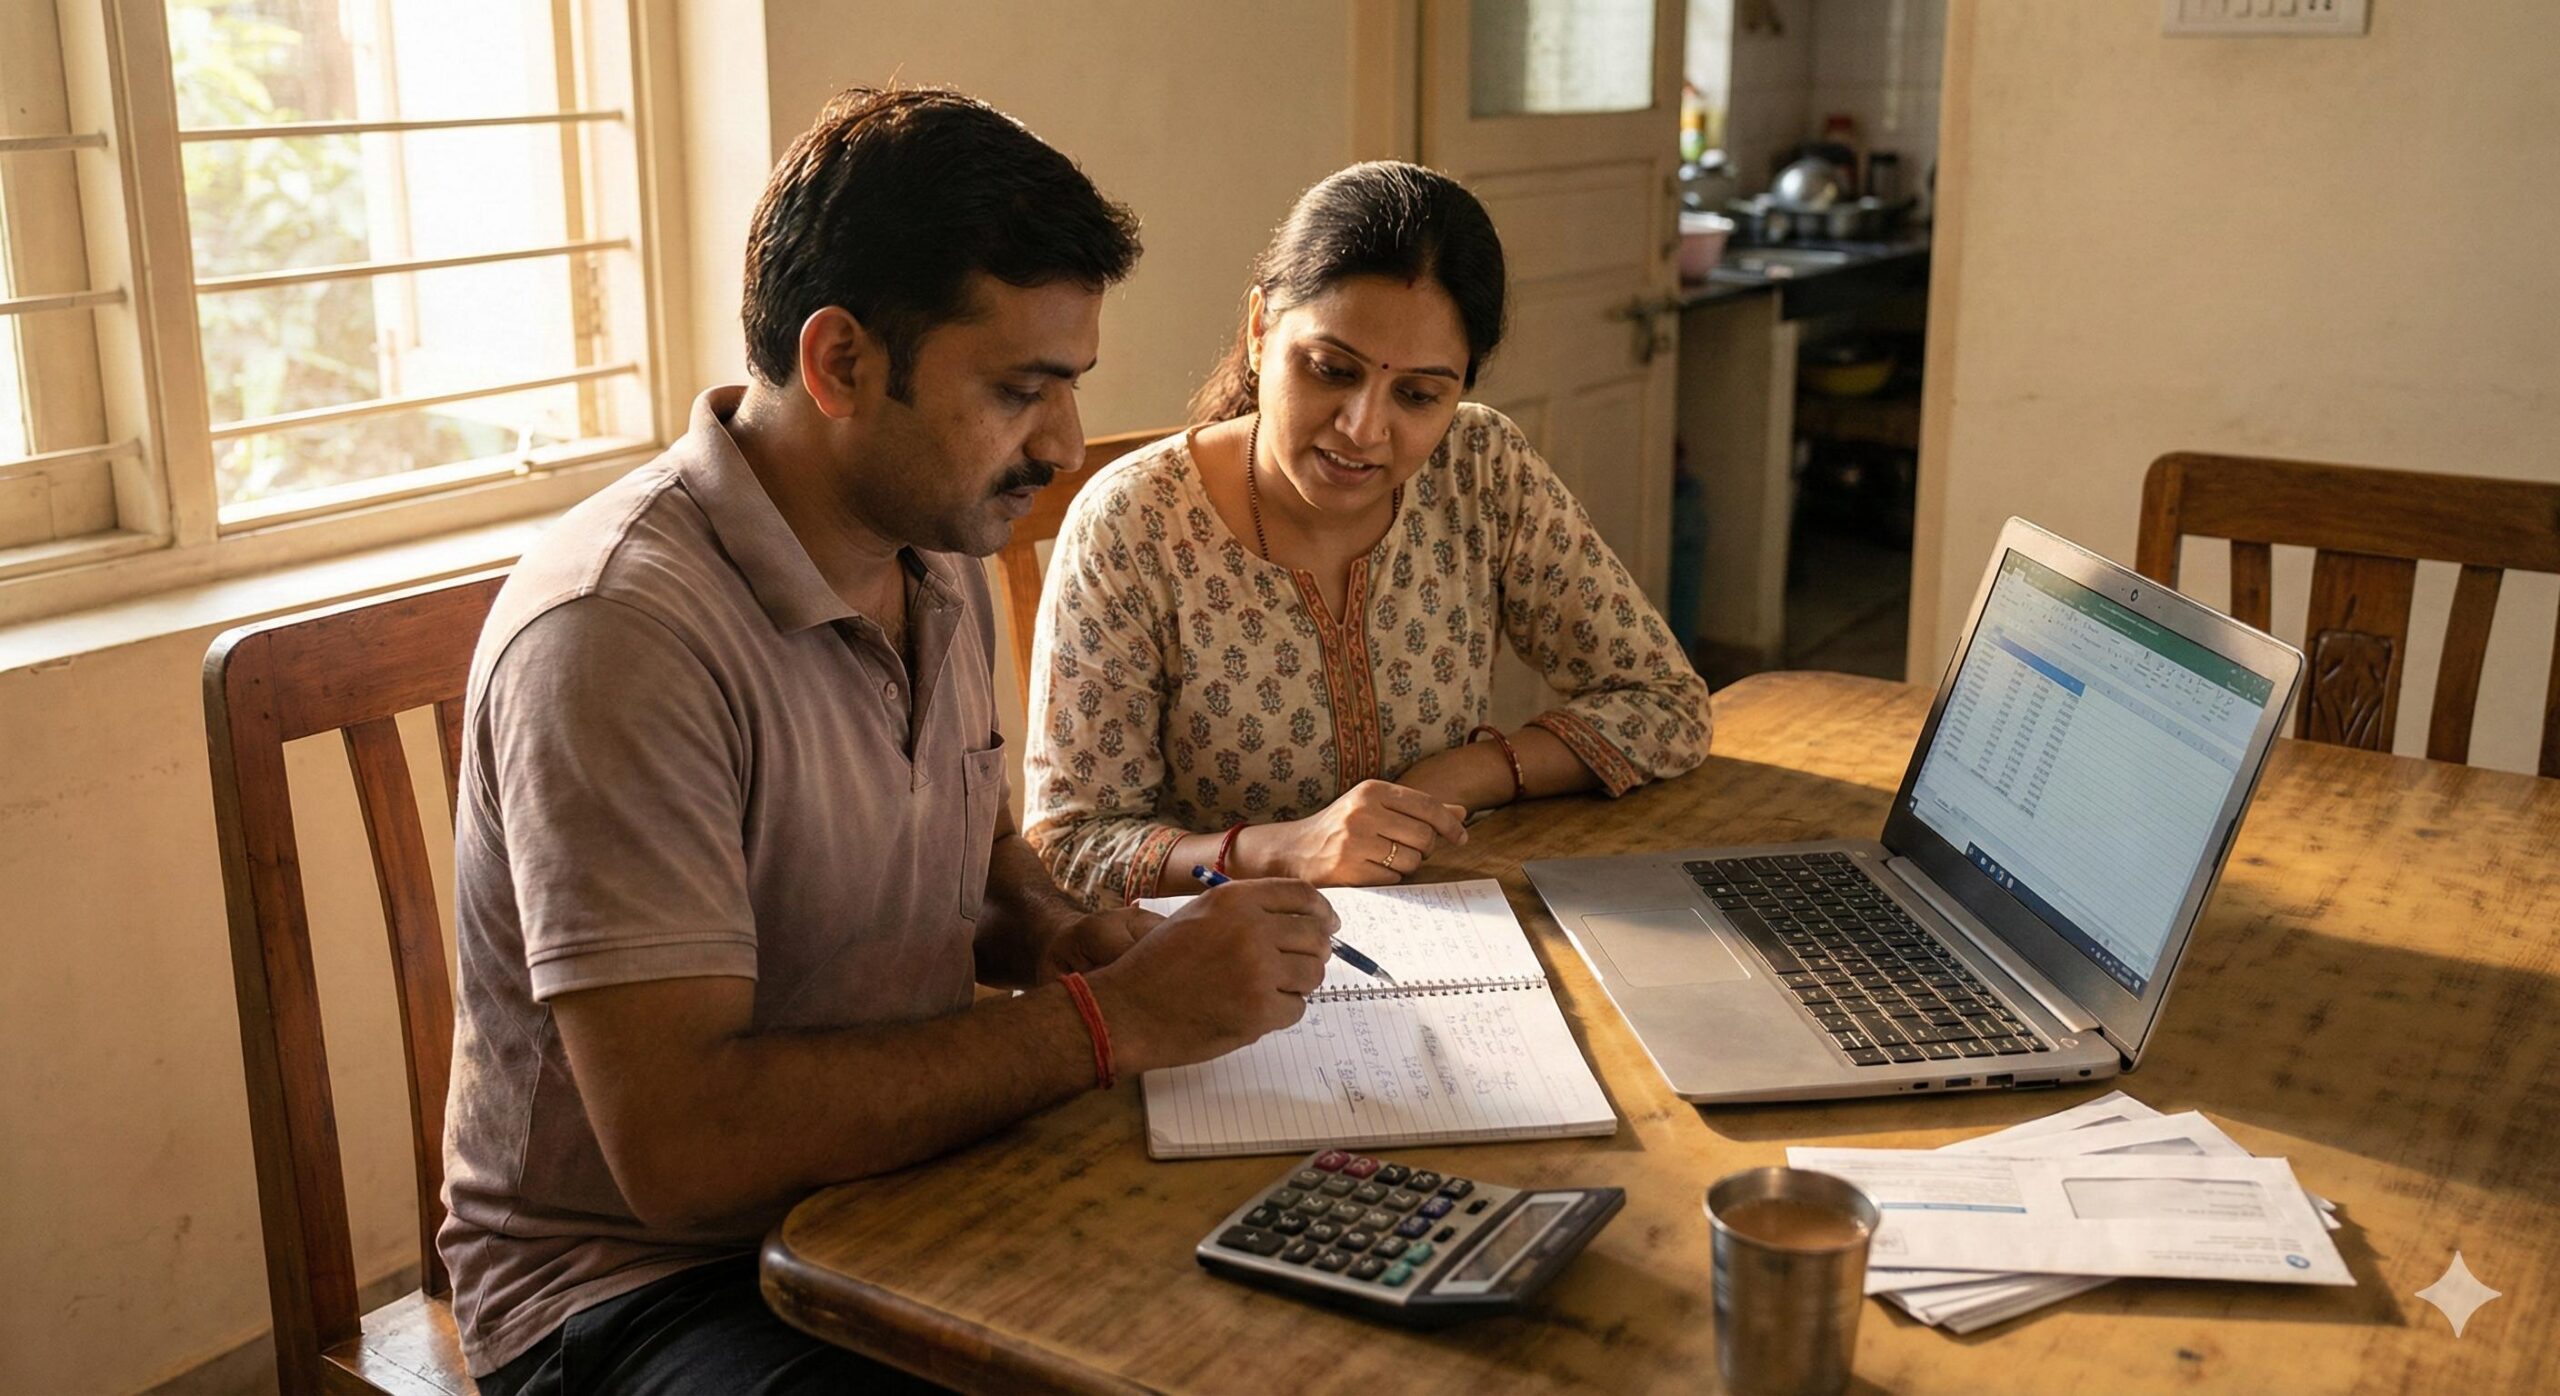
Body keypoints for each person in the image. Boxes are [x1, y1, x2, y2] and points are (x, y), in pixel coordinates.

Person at [440, 88, 1340, 1395]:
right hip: (644, 1288)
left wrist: (1053, 930)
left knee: (1299, 1314)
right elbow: (683, 1148)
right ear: (842, 363)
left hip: (895, 1200)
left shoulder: (927, 543)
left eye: (1070, 386)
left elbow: (972, 849)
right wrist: (1103, 1024)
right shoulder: (619, 637)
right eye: (1022, 390)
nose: (1065, 445)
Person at [1024, 162, 1711, 907]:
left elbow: (1665, 703)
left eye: (1418, 394)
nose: (1364, 429)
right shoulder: (1136, 526)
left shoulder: (1478, 469)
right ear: (1259, 330)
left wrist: (1460, 776)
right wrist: (1282, 852)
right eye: (1329, 370)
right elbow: (1073, 849)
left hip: (1455, 926)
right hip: (1220, 960)